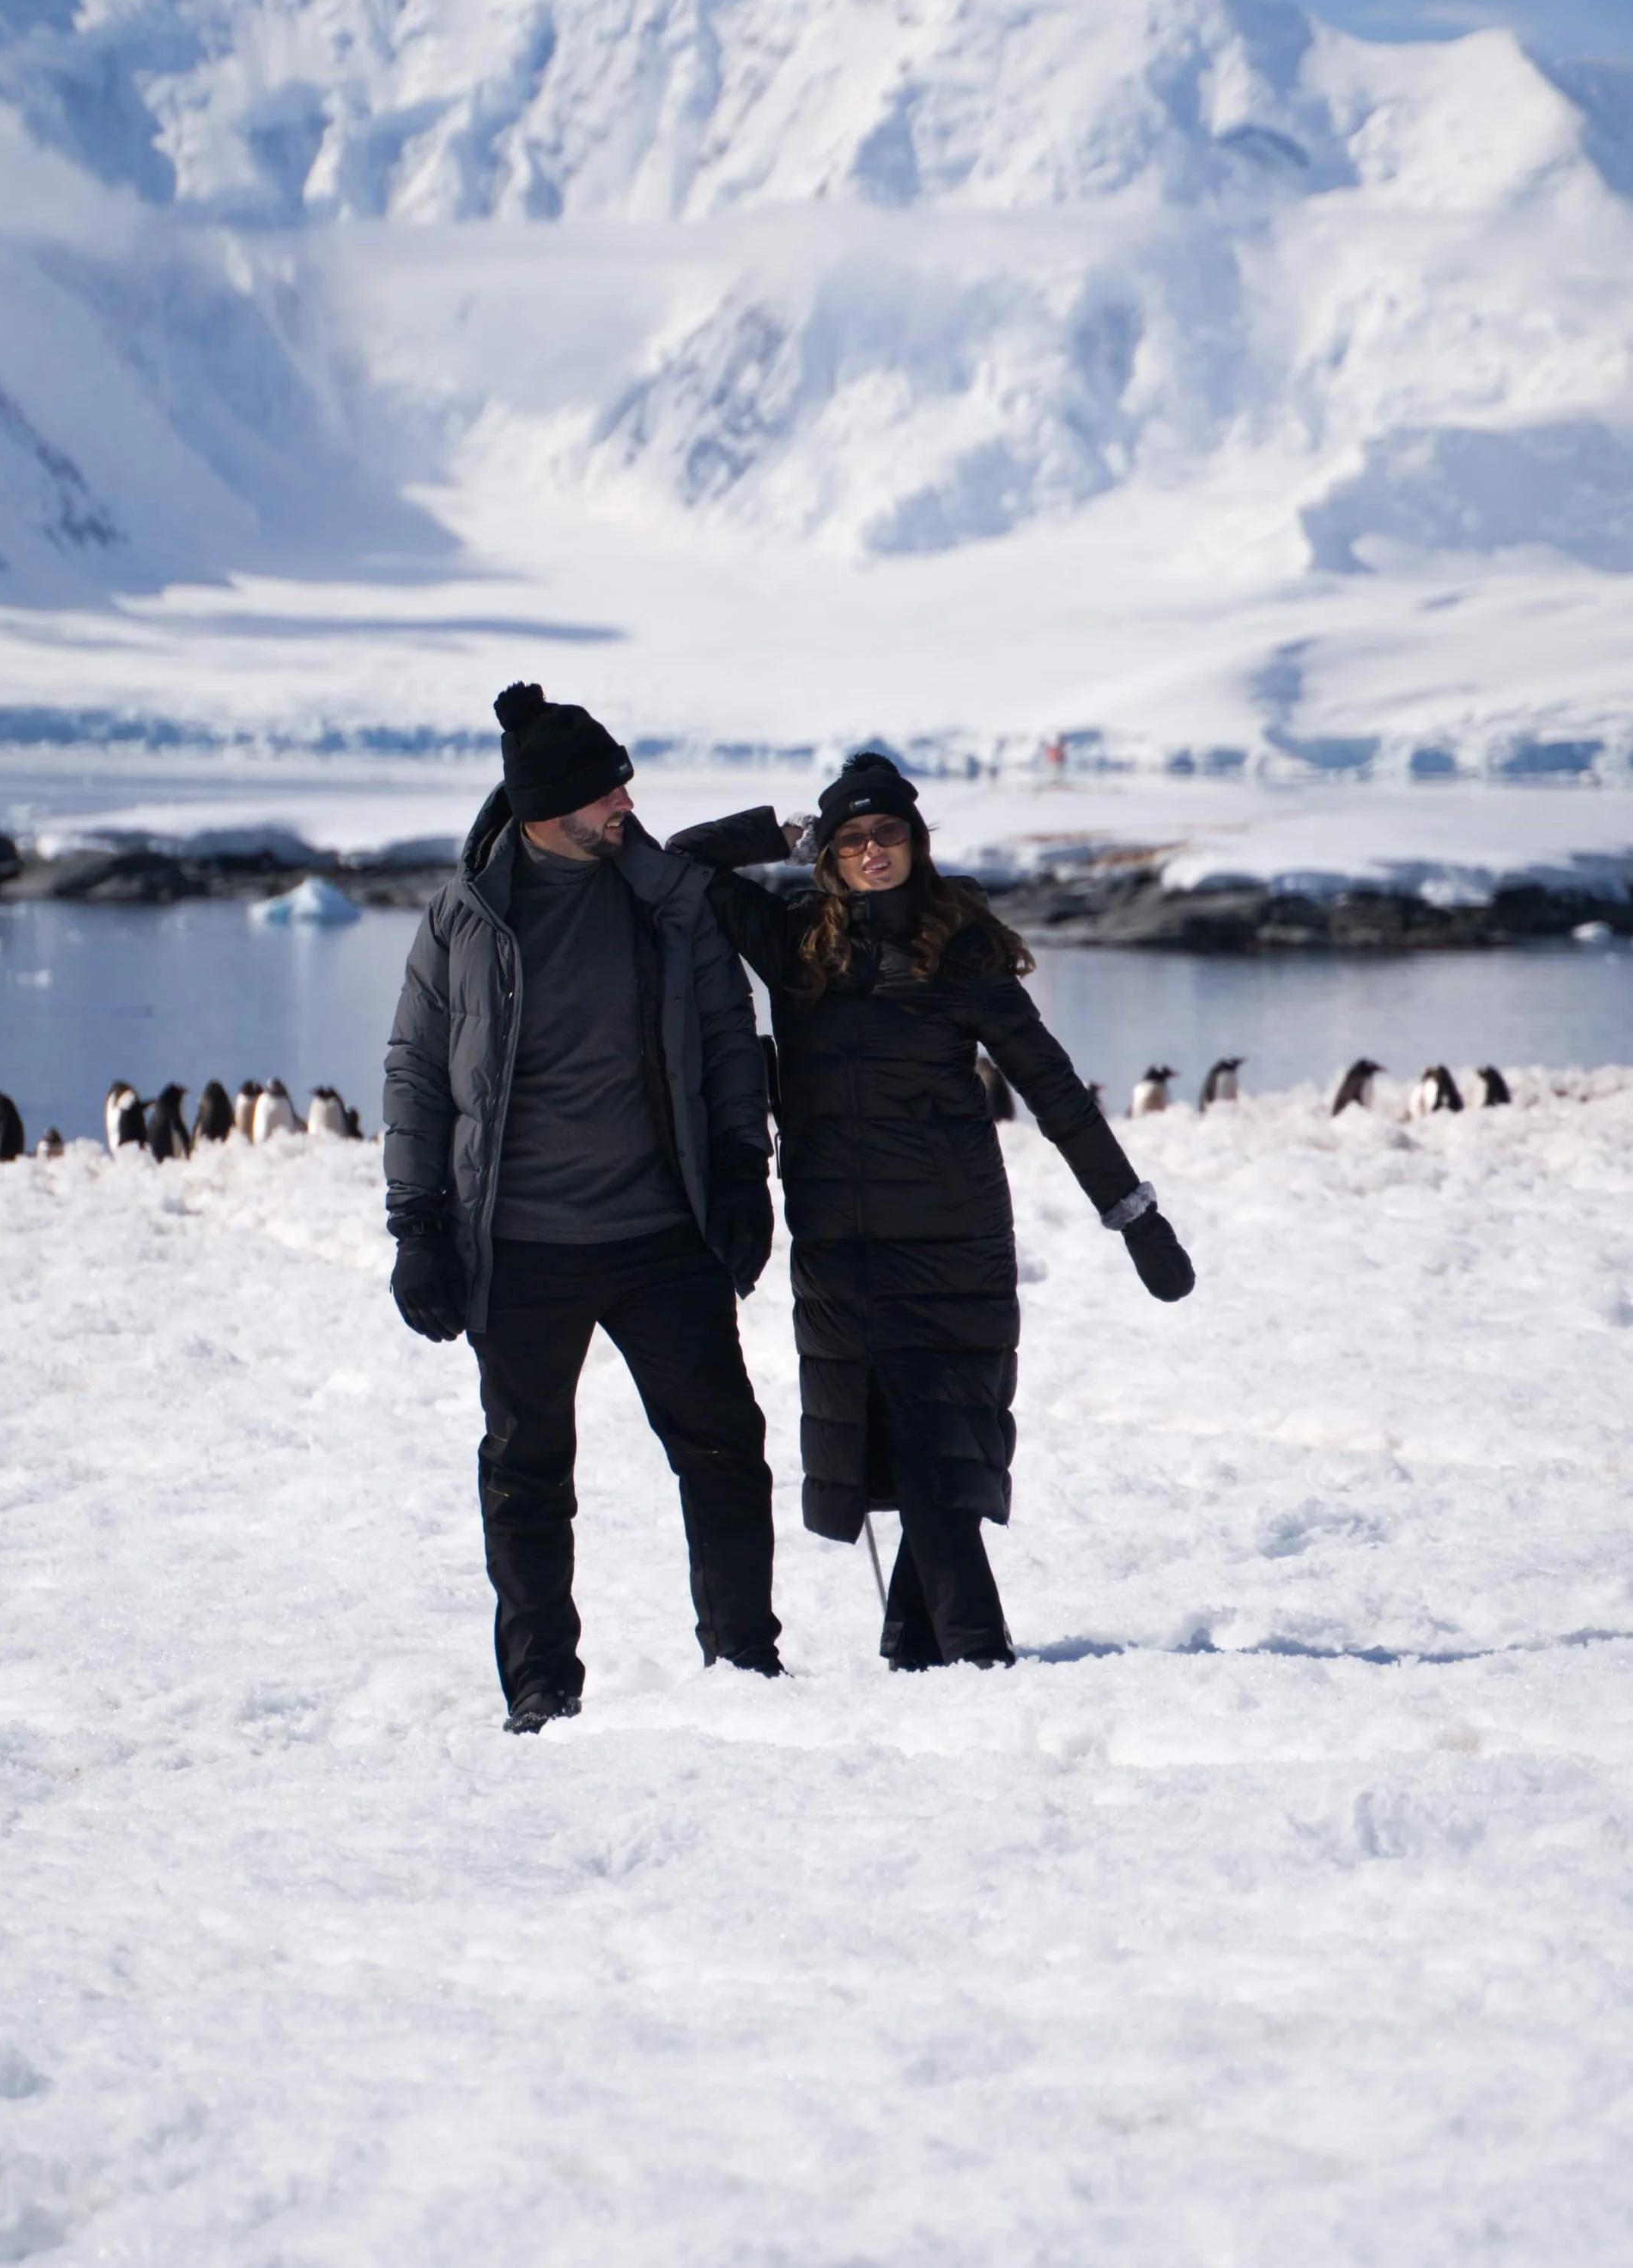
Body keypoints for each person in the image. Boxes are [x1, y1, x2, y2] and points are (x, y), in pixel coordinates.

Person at [668, 751, 1194, 1671]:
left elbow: (1055, 1091)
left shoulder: (962, 949)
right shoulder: (793, 938)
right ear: (829, 853)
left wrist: (1133, 1213)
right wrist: (774, 834)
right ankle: (917, 1647)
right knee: (907, 1448)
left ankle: (975, 1652)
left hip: (953, 1238)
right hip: (837, 1243)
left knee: (938, 1448)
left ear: (918, 841)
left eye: (890, 833)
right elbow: (679, 863)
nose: (874, 851)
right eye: (853, 838)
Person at [382, 682, 783, 1732]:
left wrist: (744, 1170)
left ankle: (744, 1658)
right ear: (549, 812)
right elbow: (418, 1075)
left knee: (724, 1449)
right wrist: (417, 1225)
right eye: (609, 793)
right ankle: (540, 1688)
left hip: (664, 1235)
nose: (627, 805)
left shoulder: (669, 900)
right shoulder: (467, 917)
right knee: (525, 1474)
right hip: (519, 1250)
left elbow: (729, 1043)